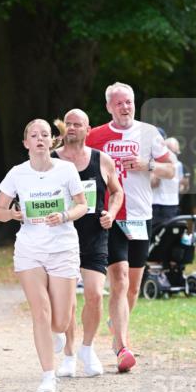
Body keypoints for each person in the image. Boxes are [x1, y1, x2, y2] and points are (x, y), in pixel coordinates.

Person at [0, 119, 88, 392]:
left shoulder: (66, 170)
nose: (39, 139)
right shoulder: (16, 174)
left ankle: (58, 333)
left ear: (52, 141)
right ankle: (48, 375)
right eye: (33, 135)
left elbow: (83, 205)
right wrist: (11, 214)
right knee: (41, 313)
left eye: (44, 135)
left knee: (59, 321)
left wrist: (64, 215)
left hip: (63, 248)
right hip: (29, 250)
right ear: (26, 143)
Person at [88, 83, 174, 372]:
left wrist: (146, 165)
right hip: (110, 214)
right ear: (109, 107)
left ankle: (117, 328)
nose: (126, 107)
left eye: (130, 102)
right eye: (120, 103)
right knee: (120, 280)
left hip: (139, 215)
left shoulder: (148, 133)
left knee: (133, 288)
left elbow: (171, 169)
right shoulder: (96, 136)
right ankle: (121, 346)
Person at [52, 109, 123, 378]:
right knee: (67, 299)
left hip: (94, 235)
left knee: (94, 294)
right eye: (68, 123)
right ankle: (69, 354)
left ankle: (87, 347)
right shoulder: (52, 161)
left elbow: (117, 192)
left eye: (77, 124)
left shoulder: (102, 160)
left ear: (87, 129)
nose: (71, 127)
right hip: (61, 236)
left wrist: (112, 214)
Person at [151, 137, 183, 228]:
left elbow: (154, 183)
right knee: (168, 235)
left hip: (158, 204)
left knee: (155, 234)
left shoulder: (158, 163)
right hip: (172, 204)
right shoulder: (179, 164)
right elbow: (180, 185)